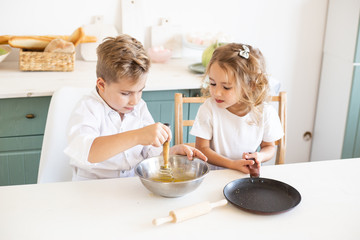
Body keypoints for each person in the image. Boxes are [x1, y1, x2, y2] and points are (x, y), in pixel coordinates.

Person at [64, 34, 207, 181]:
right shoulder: (87, 109)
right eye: (126, 93)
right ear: (101, 85)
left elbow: (149, 153)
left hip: (130, 186)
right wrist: (138, 135)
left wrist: (171, 152)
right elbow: (89, 153)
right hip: (93, 189)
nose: (135, 100)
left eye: (140, 91)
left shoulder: (139, 107)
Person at [190, 43, 283, 174]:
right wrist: (232, 164)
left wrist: (260, 156)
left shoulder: (265, 112)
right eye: (212, 83)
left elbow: (269, 147)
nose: (216, 92)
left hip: (246, 174)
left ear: (250, 86)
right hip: (214, 175)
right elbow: (202, 148)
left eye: (226, 87)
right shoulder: (209, 109)